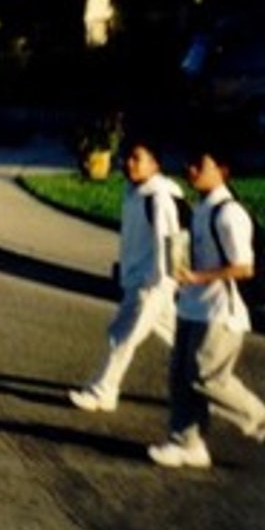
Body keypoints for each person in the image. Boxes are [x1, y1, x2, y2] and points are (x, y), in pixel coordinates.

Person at [148, 144, 265, 469]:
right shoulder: (203, 208)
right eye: (190, 164)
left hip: (221, 311)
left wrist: (198, 276)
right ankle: (187, 443)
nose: (191, 170)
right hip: (193, 306)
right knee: (180, 375)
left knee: (208, 379)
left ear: (222, 170)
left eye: (199, 165)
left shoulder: (230, 213)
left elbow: (243, 267)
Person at [69, 137, 183, 412]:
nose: (128, 164)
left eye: (137, 158)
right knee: (185, 346)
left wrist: (164, 281)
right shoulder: (134, 192)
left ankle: (103, 391)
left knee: (122, 336)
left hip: (153, 283)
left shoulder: (159, 197)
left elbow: (171, 241)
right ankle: (217, 394)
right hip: (139, 279)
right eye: (127, 158)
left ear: (155, 164)